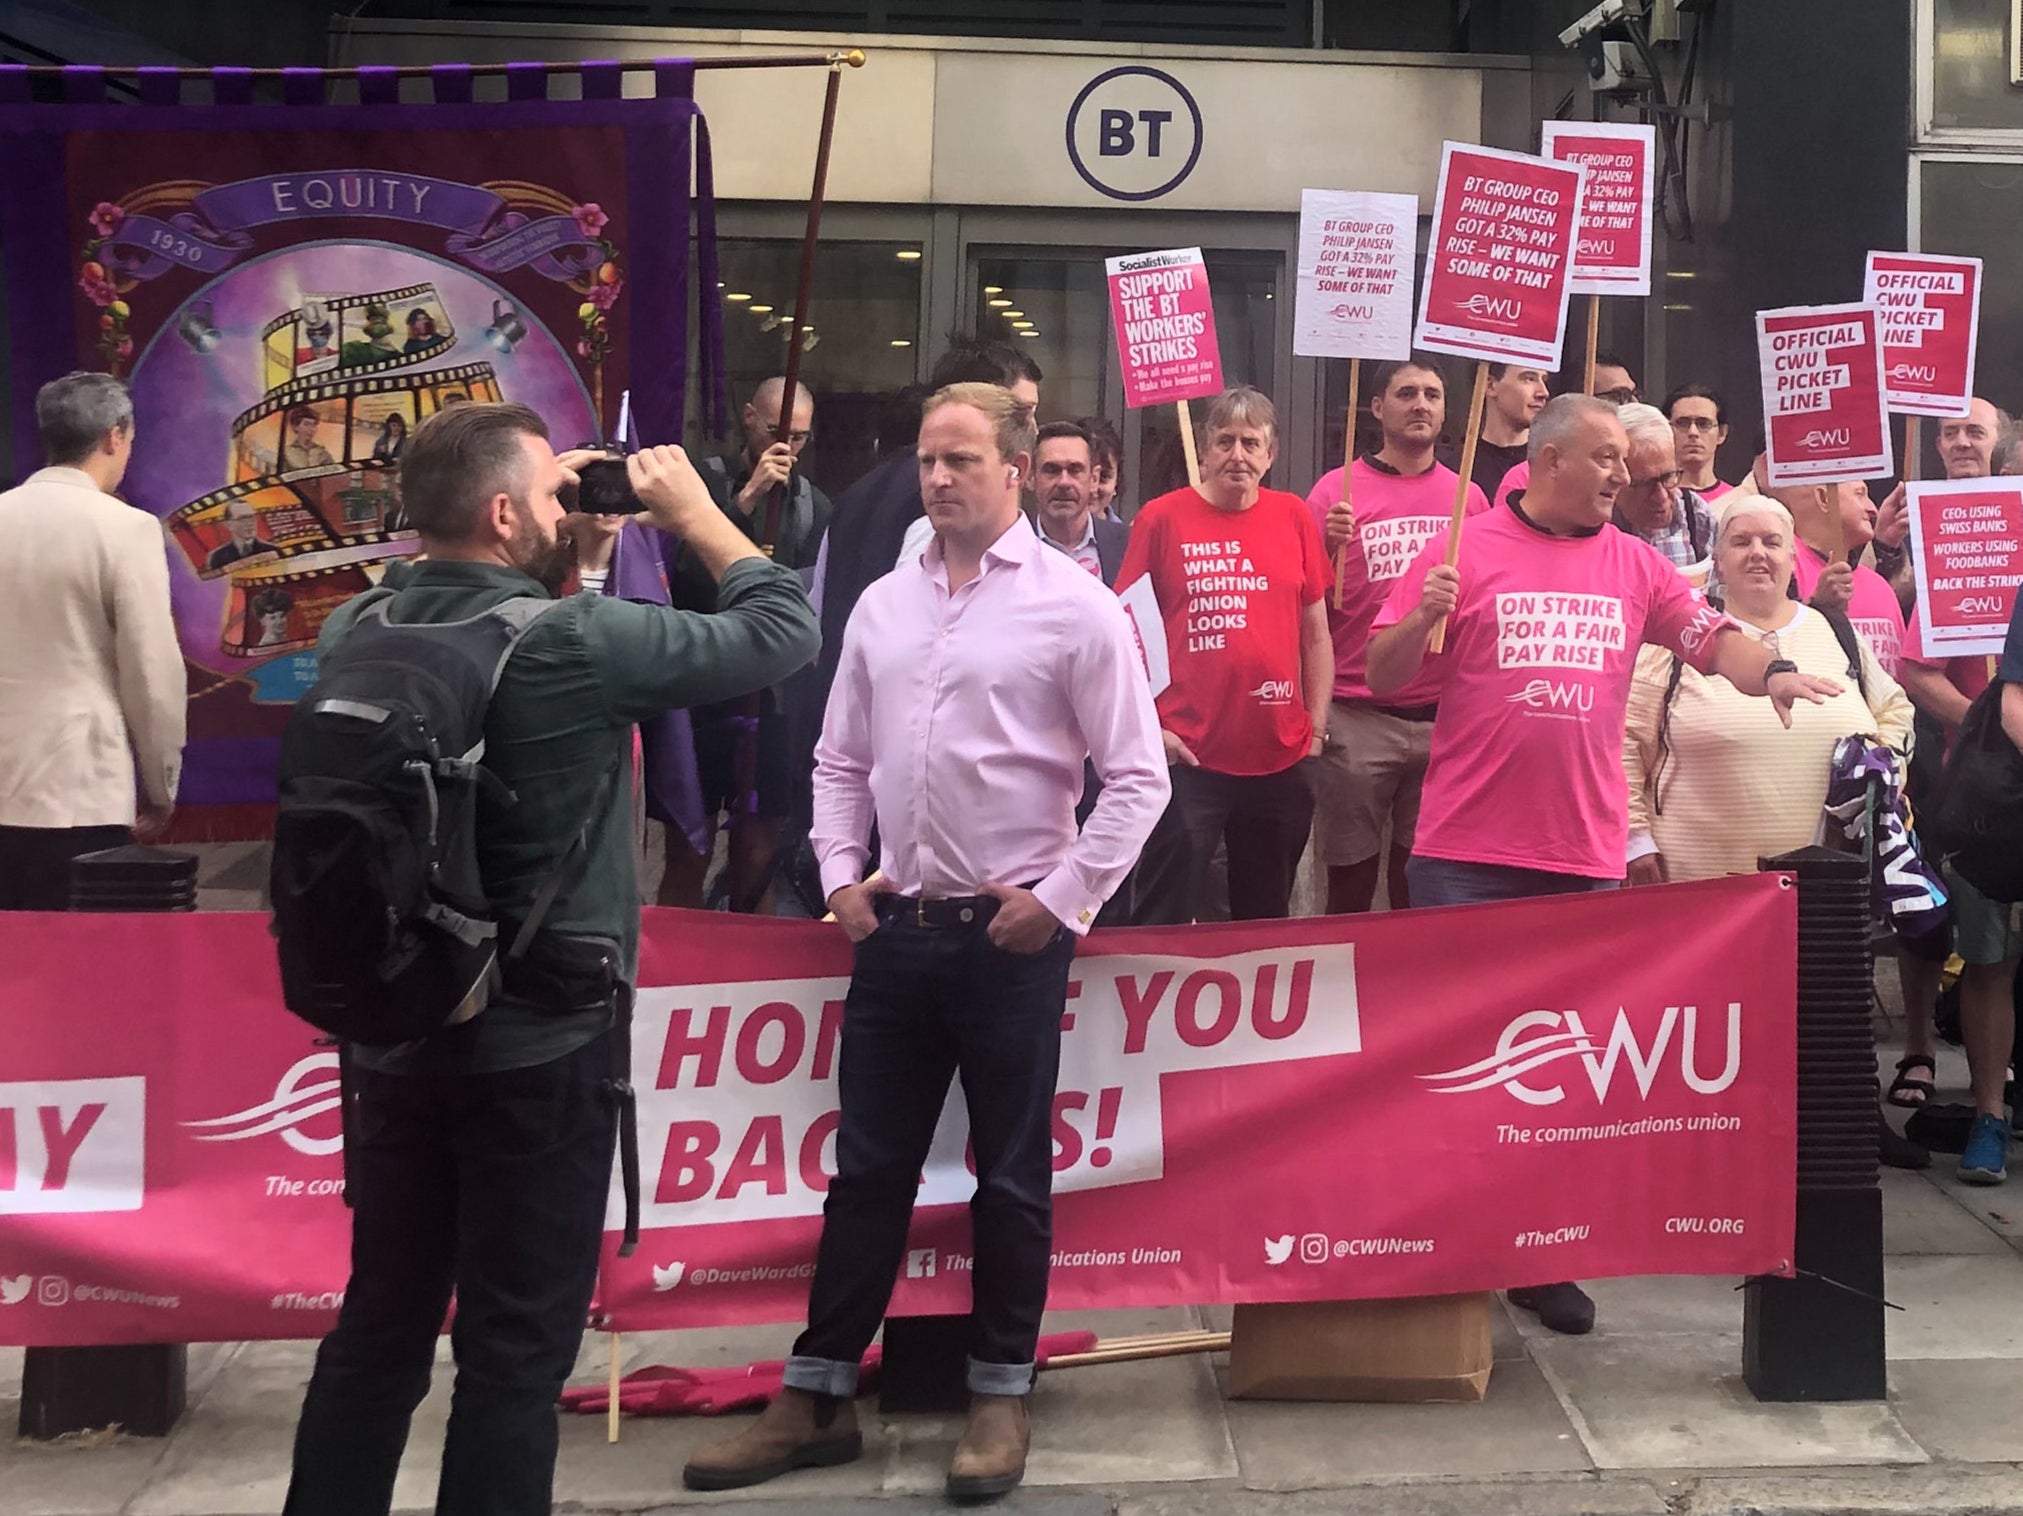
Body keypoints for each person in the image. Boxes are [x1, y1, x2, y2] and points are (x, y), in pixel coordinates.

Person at [282, 402, 818, 1516]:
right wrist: (697, 513)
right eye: (547, 488)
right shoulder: (575, 643)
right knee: (514, 1349)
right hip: (539, 1044)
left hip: (391, 1035)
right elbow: (781, 630)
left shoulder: (356, 627)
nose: (569, 499)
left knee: (379, 1324)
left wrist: (568, 561)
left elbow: (494, 658)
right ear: (500, 511)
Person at [682, 383, 1166, 1500]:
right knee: (867, 1174)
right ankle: (813, 1395)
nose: (936, 478)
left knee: (1009, 1174)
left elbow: (1135, 778)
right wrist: (841, 874)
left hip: (1010, 940)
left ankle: (1000, 1396)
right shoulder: (883, 605)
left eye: (959, 459)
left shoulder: (1075, 606)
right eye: (925, 460)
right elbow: (838, 758)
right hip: (895, 932)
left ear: (1012, 468)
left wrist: (1061, 898)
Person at [1366, 394, 1841, 1336]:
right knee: (1460, 1067)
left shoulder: (1632, 563)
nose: (1625, 474)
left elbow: (1709, 638)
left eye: (1626, 460)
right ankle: (1457, 1244)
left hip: (1580, 855)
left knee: (1558, 1077)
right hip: (1464, 850)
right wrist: (1416, 617)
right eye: (1608, 458)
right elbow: (1384, 679)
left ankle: (1543, 1256)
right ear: (1548, 462)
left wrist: (1775, 670)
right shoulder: (1463, 547)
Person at [797, 338, 1042, 824]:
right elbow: (926, 666)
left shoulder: (851, 499)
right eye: (1023, 411)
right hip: (903, 799)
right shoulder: (944, 518)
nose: (1032, 428)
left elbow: (815, 628)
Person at [1118, 386, 1333, 924]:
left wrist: (1319, 729)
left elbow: (1316, 634)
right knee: (1164, 910)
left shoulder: (1294, 516)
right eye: (1225, 441)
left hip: (1280, 758)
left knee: (1264, 915)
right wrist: (1149, 730)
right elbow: (1126, 634)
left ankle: (1257, 1009)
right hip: (1189, 756)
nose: (1238, 454)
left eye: (1251, 443)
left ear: (1270, 454)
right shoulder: (1161, 519)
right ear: (1206, 449)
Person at [1624, 492, 1912, 883]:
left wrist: (1882, 768)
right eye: (1741, 542)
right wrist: (1635, 840)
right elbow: (1624, 741)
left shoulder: (1837, 632)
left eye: (1772, 542)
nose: (1757, 552)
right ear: (1720, 562)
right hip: (1701, 891)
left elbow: (1896, 709)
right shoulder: (1678, 639)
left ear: (1793, 562)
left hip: (1829, 896)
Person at [1309, 354, 1488, 913]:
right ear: (1377, 407)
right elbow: (1303, 599)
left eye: (1432, 395)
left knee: (1420, 876)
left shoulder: (1469, 499)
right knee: (1349, 875)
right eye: (1407, 393)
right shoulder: (1334, 491)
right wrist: (1327, 545)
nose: (1421, 405)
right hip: (1358, 715)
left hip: (1441, 717)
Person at [0, 371, 184, 909]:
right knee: (80, 967)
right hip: (79, 788)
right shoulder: (126, 529)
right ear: (114, 436)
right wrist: (161, 784)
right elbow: (152, 673)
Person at [662, 377, 833, 913]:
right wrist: (746, 499)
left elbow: (813, 599)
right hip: (703, 686)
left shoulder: (813, 504)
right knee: (690, 844)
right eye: (780, 431)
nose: (789, 446)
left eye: (801, 438)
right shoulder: (702, 485)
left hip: (771, 695)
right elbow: (684, 577)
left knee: (760, 846)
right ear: (750, 418)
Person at [1897, 601, 2020, 1184]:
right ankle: (1989, 1116)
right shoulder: (1972, 565)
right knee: (1990, 960)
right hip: (1995, 813)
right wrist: (1986, 734)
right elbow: (2012, 700)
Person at [1760, 461, 1904, 678]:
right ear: (1824, 498)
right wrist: (1819, 607)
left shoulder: (1881, 587)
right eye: (1860, 494)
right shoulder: (1778, 567)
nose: (1873, 509)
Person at [1611, 403, 1716, 570]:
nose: (1661, 496)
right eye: (1646, 484)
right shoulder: (1593, 525)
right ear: (1616, 479)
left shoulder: (1696, 515)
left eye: (1668, 477)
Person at [1031, 420, 1127, 583]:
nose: (1064, 482)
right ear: (1030, 477)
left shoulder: (1129, 546)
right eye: (1051, 470)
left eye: (1075, 470)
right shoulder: (1005, 547)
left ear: (1094, 479)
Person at [1470, 363, 1549, 503]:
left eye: (1544, 380)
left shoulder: (1552, 466)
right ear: (1490, 386)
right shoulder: (1459, 470)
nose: (1543, 392)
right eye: (1529, 379)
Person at [1664, 384, 1735, 502]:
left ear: (1721, 433)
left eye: (1703, 424)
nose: (1693, 432)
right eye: (1682, 423)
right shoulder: (1657, 500)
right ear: (1666, 429)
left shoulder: (1736, 502)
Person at [1078, 415, 1126, 521]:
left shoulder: (1128, 536)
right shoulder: (1034, 535)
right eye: (1081, 473)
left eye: (1104, 477)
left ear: (1117, 482)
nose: (1092, 488)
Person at [207, 497, 277, 570]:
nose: (250, 523)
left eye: (251, 517)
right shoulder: (218, 557)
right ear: (229, 525)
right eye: (242, 518)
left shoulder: (273, 550)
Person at [281, 405, 335, 472]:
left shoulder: (322, 453)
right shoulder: (287, 452)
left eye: (314, 425)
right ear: (295, 427)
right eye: (307, 424)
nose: (311, 429)